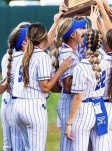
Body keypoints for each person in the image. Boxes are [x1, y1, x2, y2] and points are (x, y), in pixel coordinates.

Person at [12, 22, 73, 151]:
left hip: (17, 107)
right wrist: (60, 70)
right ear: (43, 37)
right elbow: (45, 87)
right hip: (33, 107)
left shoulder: (24, 55)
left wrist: (57, 21)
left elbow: (45, 44)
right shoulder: (42, 57)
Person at [65, 29, 109, 151]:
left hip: (84, 110)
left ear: (85, 44)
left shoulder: (81, 67)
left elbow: (78, 97)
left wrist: (69, 123)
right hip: (100, 108)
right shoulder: (104, 63)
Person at [51, 17, 87, 151]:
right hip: (68, 101)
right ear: (72, 34)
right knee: (68, 146)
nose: (82, 31)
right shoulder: (67, 53)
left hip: (70, 101)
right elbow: (67, 85)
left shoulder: (72, 49)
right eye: (79, 28)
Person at [1, 22, 30, 151]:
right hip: (17, 103)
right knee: (24, 146)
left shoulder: (8, 55)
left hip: (7, 103)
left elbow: (5, 83)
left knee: (8, 146)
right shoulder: (28, 56)